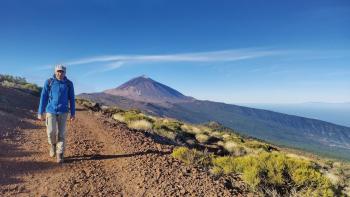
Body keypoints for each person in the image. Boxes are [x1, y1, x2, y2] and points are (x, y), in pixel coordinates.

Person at [37, 64, 75, 163]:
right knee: (51, 132)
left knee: (61, 134)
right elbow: (43, 97)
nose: (60, 73)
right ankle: (52, 145)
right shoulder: (49, 82)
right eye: (58, 71)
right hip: (51, 111)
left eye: (62, 71)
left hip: (63, 111)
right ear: (55, 72)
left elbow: (72, 99)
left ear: (65, 73)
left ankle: (60, 154)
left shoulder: (69, 84)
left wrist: (73, 113)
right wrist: (40, 112)